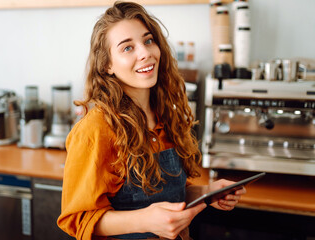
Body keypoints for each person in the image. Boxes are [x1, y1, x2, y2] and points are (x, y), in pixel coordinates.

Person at [57, 1, 246, 239]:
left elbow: (167, 195)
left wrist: (206, 193)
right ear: (107, 64)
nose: (145, 53)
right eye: (127, 48)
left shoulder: (166, 114)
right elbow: (78, 219)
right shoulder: (96, 129)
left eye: (148, 41)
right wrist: (145, 219)